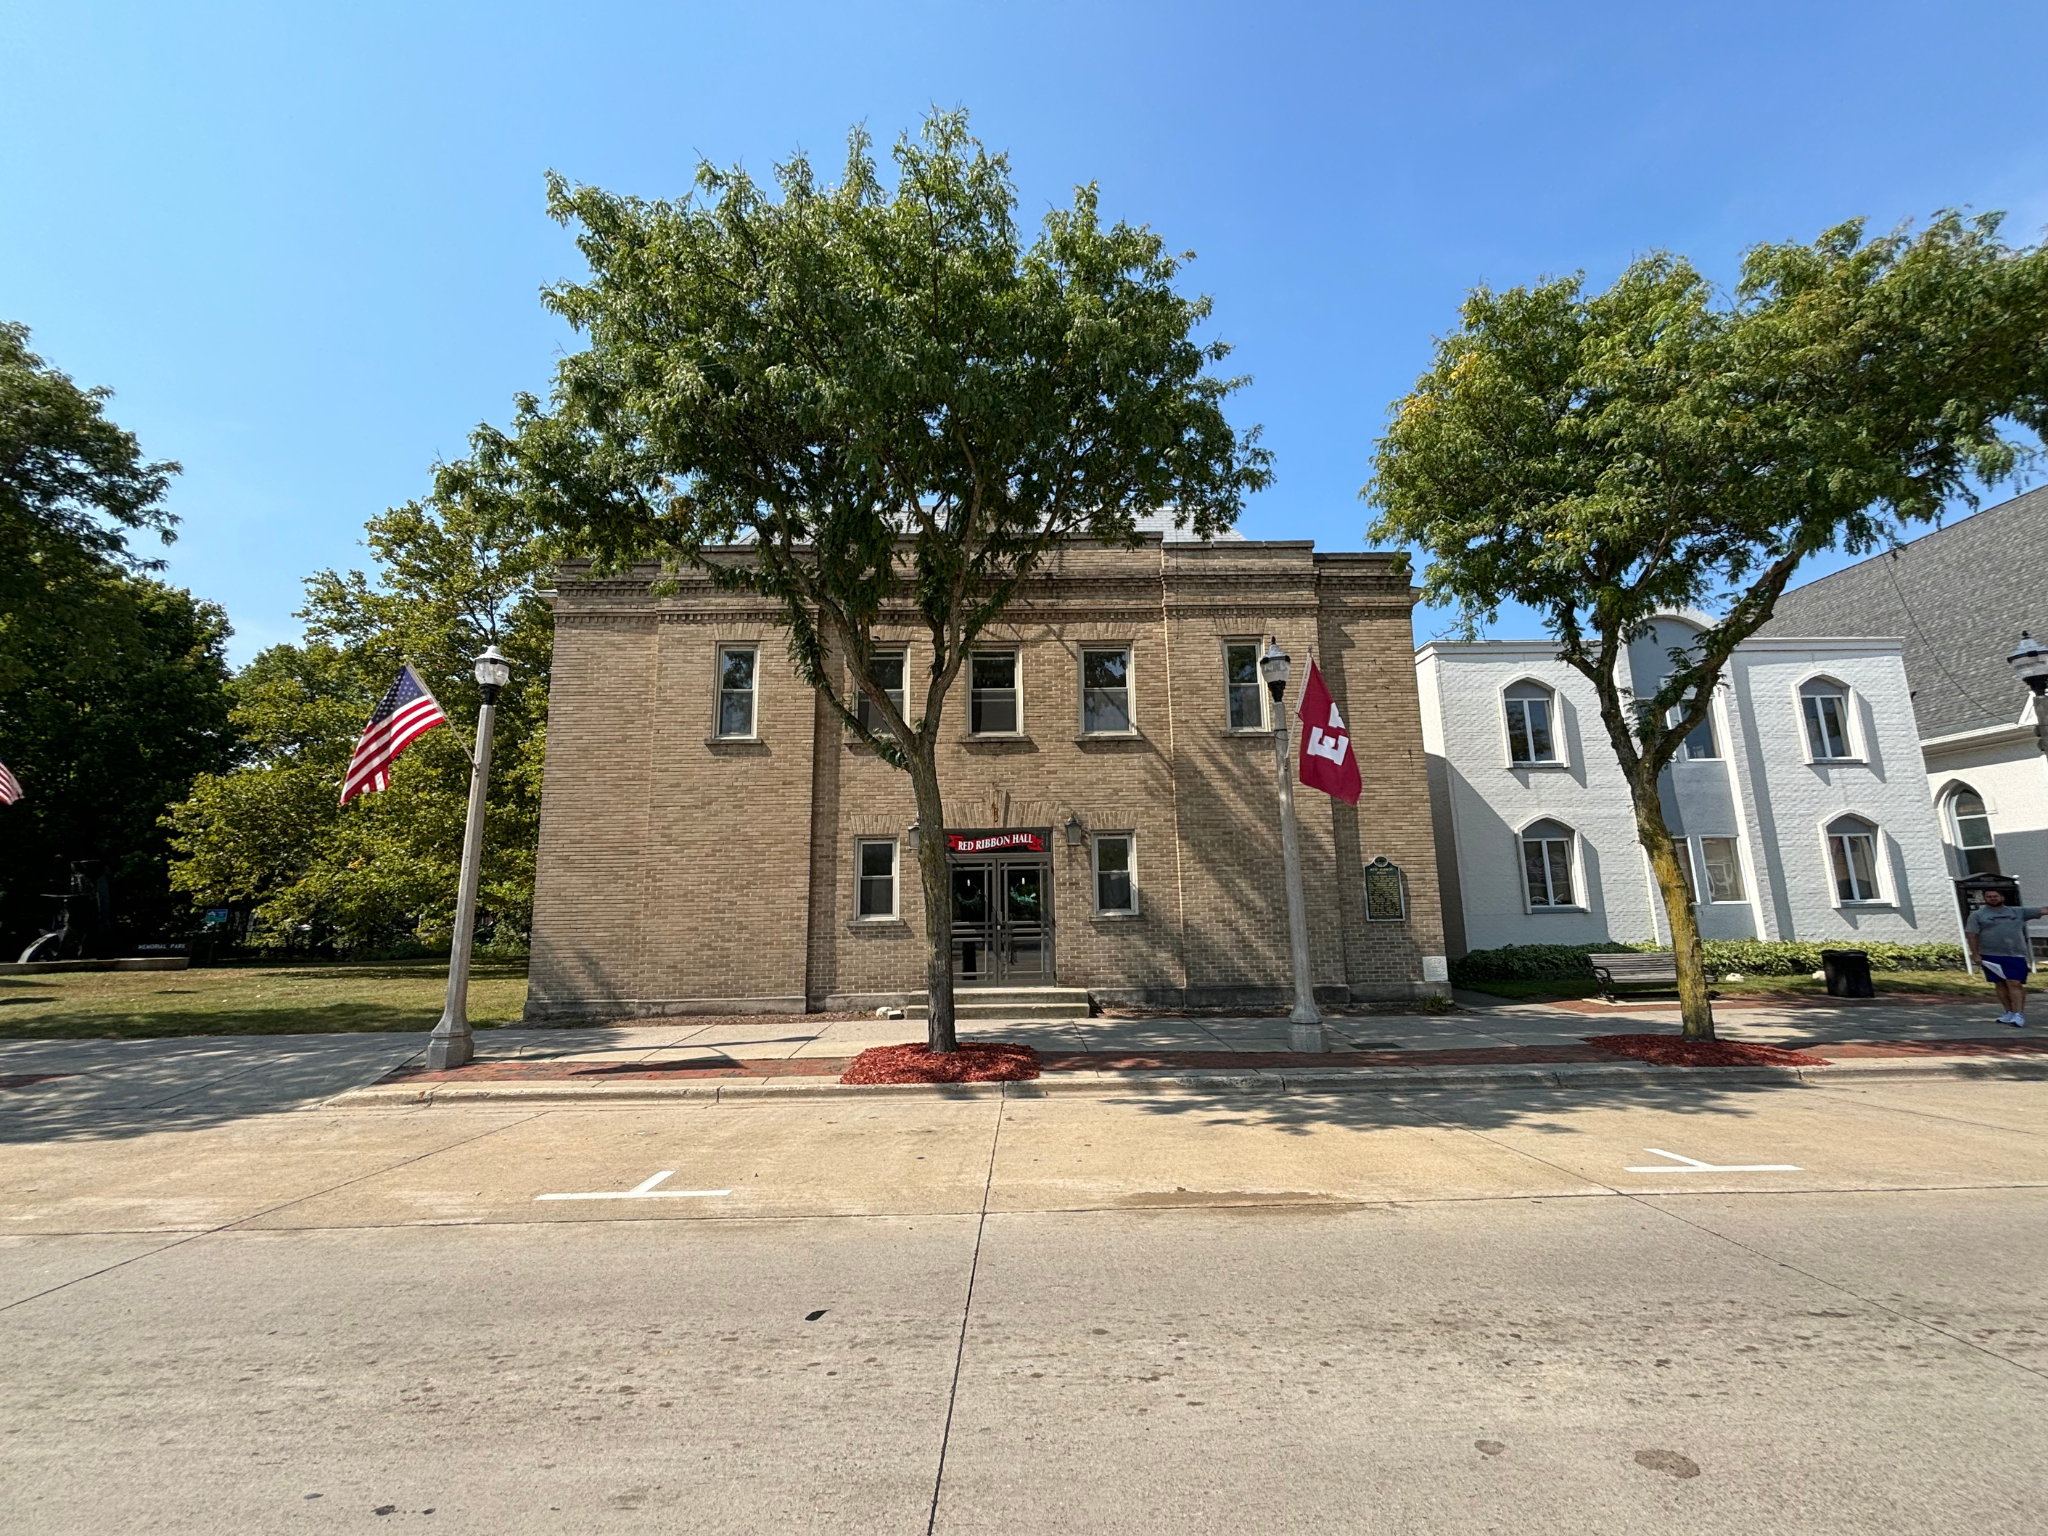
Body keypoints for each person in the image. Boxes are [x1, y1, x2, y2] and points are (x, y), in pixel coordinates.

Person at [1964, 888, 2046, 1027]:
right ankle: (2009, 1012)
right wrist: (1976, 954)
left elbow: (2043, 910)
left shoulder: (2017, 912)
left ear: (2001, 897)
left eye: (1995, 896)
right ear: (1984, 899)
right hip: (1990, 955)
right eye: (1989, 896)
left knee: (2015, 983)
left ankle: (2019, 1014)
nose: (1992, 898)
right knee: (2000, 984)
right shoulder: (1977, 915)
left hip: (2015, 954)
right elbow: (1971, 935)